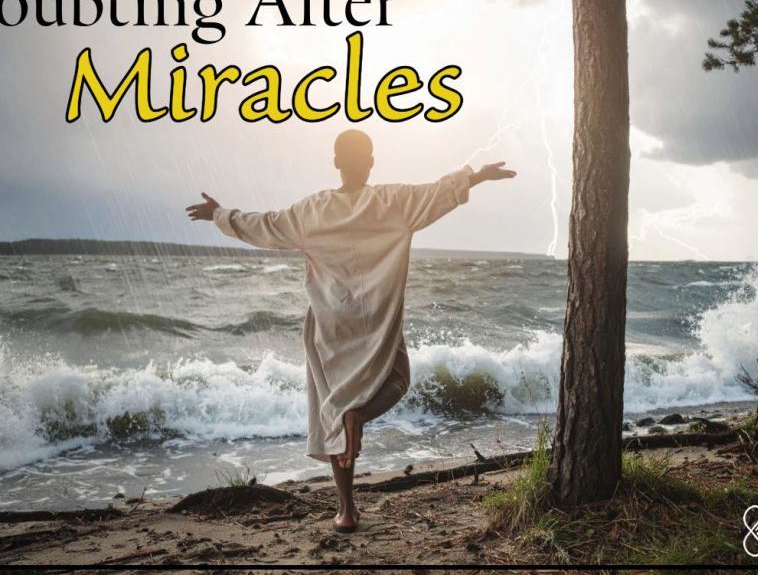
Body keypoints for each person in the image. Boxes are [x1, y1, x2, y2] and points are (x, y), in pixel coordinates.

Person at [186, 129, 516, 532]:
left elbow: (264, 226)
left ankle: (345, 509)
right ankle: (361, 416)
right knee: (397, 380)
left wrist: (220, 214)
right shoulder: (394, 202)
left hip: (330, 324)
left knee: (335, 408)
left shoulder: (311, 212)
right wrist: (477, 176)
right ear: (371, 163)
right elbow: (439, 192)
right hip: (377, 320)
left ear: (336, 162)